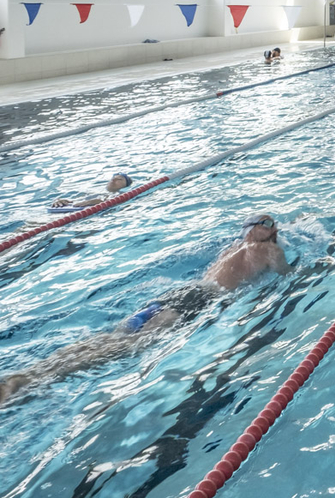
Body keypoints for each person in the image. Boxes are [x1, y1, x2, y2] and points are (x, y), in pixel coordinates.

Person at [0, 214, 292, 404]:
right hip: (198, 301)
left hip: (179, 293)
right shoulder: (268, 250)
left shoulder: (231, 249)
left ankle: (35, 370)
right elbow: (287, 276)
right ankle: (29, 379)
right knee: (130, 347)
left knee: (113, 337)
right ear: (269, 230)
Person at [52, 172, 132, 209]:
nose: (113, 180)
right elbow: (75, 201)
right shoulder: (93, 192)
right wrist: (60, 201)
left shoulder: (122, 195)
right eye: (113, 178)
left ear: (125, 186)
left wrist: (99, 202)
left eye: (119, 179)